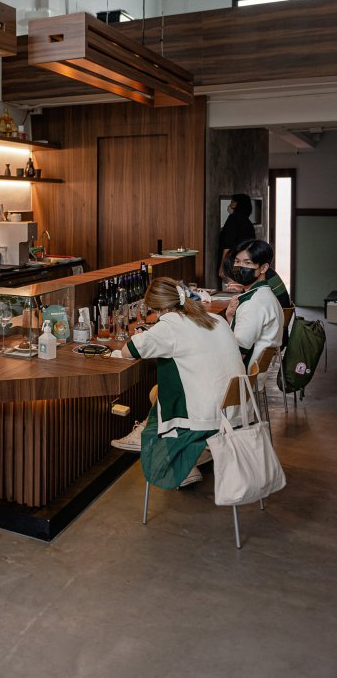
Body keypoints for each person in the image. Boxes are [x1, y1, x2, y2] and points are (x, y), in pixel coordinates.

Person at [110, 277, 245, 489]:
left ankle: (163, 449)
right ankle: (186, 463)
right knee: (158, 390)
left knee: (164, 391)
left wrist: (147, 333)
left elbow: (128, 351)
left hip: (205, 419)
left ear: (159, 309)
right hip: (236, 411)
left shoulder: (169, 325)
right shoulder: (214, 318)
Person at [224, 239, 284, 369]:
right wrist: (230, 317)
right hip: (255, 374)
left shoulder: (253, 303)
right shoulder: (265, 295)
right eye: (237, 261)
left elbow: (238, 354)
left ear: (263, 268)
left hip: (242, 374)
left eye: (248, 263)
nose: (240, 267)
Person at [217, 193, 255, 282]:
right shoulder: (247, 221)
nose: (230, 205)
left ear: (239, 204)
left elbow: (228, 245)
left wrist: (222, 266)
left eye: (233, 202)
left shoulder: (233, 219)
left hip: (232, 263)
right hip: (245, 262)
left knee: (231, 288)